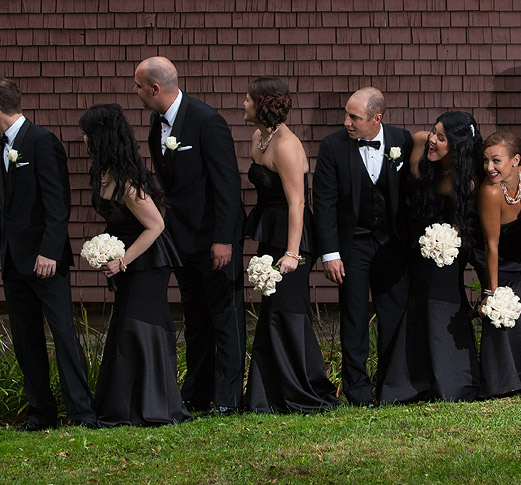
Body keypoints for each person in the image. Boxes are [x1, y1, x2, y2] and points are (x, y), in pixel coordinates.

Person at [0, 78, 97, 430]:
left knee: (63, 335)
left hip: (46, 263)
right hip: (13, 262)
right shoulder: (1, 149)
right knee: (26, 340)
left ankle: (82, 412)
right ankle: (40, 413)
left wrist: (49, 252)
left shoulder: (42, 142)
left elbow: (58, 204)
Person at [134, 56, 244, 415]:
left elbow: (227, 185)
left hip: (214, 239)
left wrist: (224, 239)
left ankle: (228, 400)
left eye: (138, 86)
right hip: (182, 240)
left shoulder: (206, 121)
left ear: (155, 88)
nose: (135, 92)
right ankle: (197, 393)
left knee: (224, 318)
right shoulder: (155, 122)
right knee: (196, 319)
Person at [78, 103, 189, 426]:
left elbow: (156, 226)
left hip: (148, 263)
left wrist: (122, 260)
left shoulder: (127, 181)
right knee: (124, 328)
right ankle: (124, 405)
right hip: (128, 263)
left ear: (101, 138)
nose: (83, 139)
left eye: (88, 134)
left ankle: (154, 405)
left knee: (139, 328)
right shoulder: (105, 173)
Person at [242, 78, 340, 413]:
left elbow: (298, 203)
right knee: (272, 312)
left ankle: (303, 389)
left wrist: (292, 253)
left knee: (287, 311)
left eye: (248, 99)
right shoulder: (259, 137)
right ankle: (268, 394)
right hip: (270, 232)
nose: (243, 103)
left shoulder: (286, 145)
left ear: (263, 104)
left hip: (292, 239)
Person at [311, 87, 412, 406]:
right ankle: (357, 391)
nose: (346, 122)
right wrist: (330, 252)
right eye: (346, 114)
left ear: (376, 119)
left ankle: (393, 387)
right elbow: (324, 202)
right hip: (352, 245)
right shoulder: (332, 146)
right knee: (353, 318)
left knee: (393, 315)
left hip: (392, 245)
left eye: (354, 117)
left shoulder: (402, 140)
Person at [379, 111, 481, 404]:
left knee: (440, 298)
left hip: (442, 251)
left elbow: (463, 221)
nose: (432, 140)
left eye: (442, 137)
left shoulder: (467, 179)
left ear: (458, 146)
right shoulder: (419, 142)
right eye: (434, 131)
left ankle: (452, 381)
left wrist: (448, 241)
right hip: (410, 240)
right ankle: (406, 383)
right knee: (414, 302)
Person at [474, 131, 521, 398]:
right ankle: (501, 381)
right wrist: (492, 290)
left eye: (496, 161)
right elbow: (491, 245)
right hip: (496, 257)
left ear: (515, 160)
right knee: (501, 313)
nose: (489, 168)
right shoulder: (489, 192)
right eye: (486, 161)